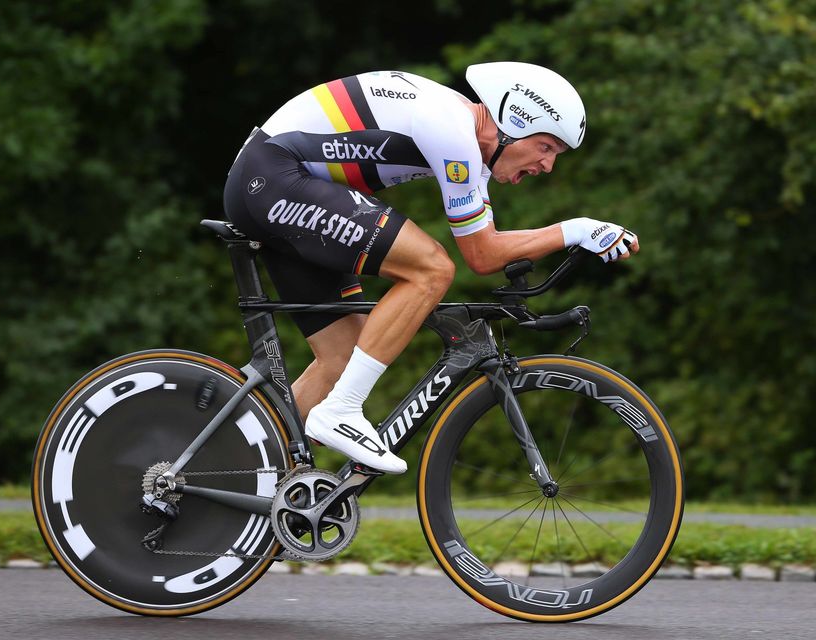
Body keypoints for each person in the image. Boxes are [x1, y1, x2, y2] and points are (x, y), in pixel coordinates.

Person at [223, 61, 639, 474]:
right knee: (431, 269)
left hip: (277, 182)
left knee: (342, 359)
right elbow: (479, 255)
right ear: (516, 122)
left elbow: (487, 252)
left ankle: (242, 476)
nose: (547, 166)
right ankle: (342, 411)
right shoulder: (452, 129)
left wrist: (576, 232)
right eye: (547, 147)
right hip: (272, 176)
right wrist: (575, 230)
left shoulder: (469, 150)